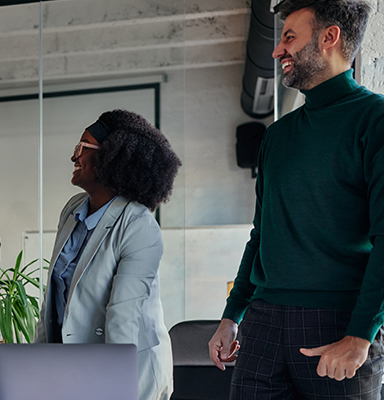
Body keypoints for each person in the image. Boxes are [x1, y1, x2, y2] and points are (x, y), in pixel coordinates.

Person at [207, 0, 384, 398]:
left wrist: (360, 335)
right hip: (264, 322)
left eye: (289, 37)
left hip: (339, 321)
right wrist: (231, 316)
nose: (276, 50)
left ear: (329, 37)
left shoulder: (375, 120)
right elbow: (261, 235)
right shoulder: (276, 136)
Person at [34, 110, 180, 400]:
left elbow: (123, 317)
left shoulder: (137, 224)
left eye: (82, 147)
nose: (74, 157)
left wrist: (113, 386)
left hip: (130, 372)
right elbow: (54, 300)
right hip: (76, 365)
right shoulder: (71, 211)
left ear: (113, 157)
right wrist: (40, 367)